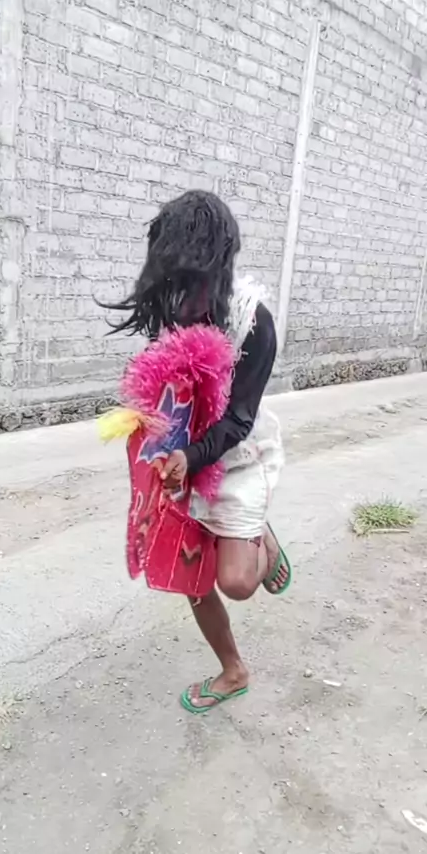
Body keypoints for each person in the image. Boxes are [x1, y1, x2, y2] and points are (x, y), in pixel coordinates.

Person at [101, 190, 290, 714]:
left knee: (238, 583)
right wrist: (151, 434)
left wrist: (192, 456)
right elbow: (166, 392)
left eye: (197, 281)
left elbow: (238, 420)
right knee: (192, 574)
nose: (187, 298)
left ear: (220, 266)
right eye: (178, 281)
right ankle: (234, 670)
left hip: (240, 455)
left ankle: (261, 536)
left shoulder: (254, 322)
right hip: (184, 459)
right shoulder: (175, 308)